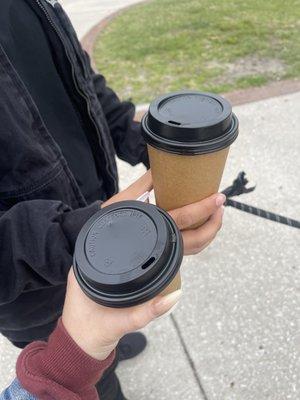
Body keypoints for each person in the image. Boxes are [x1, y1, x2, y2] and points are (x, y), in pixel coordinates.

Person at [0, 1, 225, 399]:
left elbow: (80, 83)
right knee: (89, 370)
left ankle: (114, 348)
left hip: (97, 206)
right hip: (35, 290)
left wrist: (147, 144)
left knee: (112, 331)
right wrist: (80, 240)